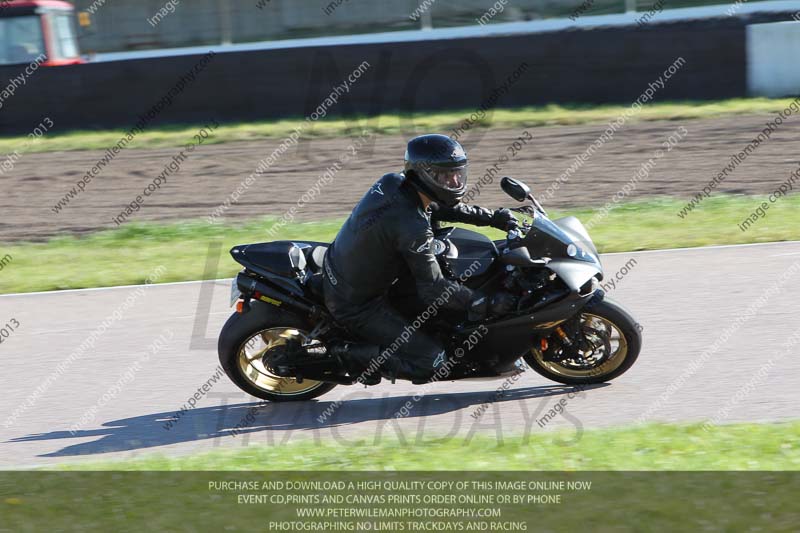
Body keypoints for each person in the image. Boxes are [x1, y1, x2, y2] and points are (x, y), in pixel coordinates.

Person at [322, 134, 517, 384]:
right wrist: (483, 302)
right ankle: (346, 356)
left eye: (458, 173)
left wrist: (492, 218)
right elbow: (433, 289)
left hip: (350, 269)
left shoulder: (396, 183)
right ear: (423, 174)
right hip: (358, 304)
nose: (456, 181)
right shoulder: (412, 227)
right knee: (433, 362)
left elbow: (440, 207)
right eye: (446, 176)